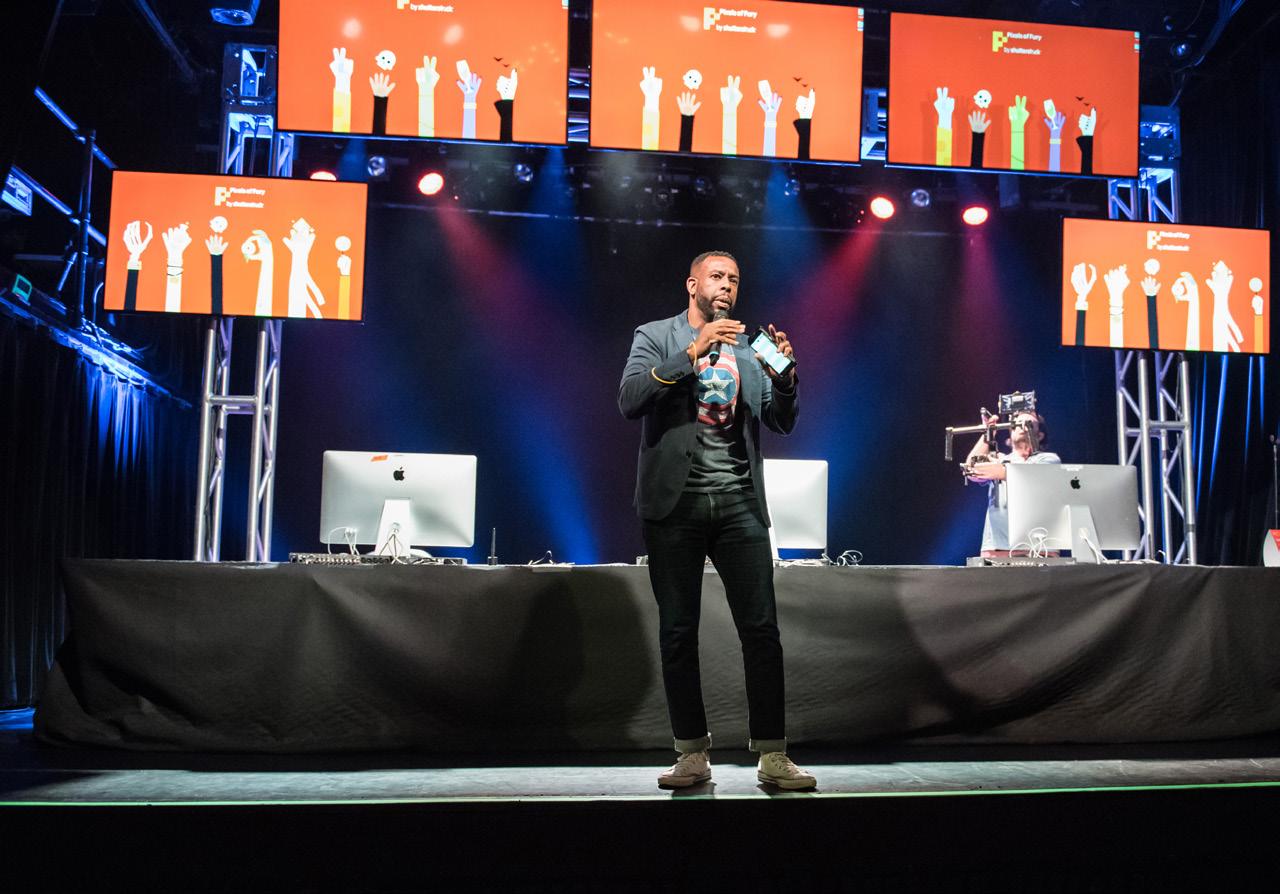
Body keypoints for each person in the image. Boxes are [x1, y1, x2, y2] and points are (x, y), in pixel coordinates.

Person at [618, 250, 816, 791]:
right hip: (674, 505)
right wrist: (692, 352)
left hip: (738, 503)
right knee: (678, 632)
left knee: (762, 631)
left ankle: (772, 754)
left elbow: (781, 421)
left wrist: (786, 379)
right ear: (693, 284)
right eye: (717, 276)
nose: (727, 285)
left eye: (734, 279)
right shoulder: (655, 336)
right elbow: (630, 399)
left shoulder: (752, 349)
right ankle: (691, 754)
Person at [964, 409, 1061, 556]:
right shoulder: (999, 459)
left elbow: (1029, 476)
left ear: (1040, 435)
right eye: (1017, 424)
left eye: (1028, 423)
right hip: (998, 548)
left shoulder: (1049, 459)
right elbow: (971, 469)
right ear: (1010, 432)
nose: (1021, 426)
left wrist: (999, 469)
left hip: (1042, 548)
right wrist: (988, 432)